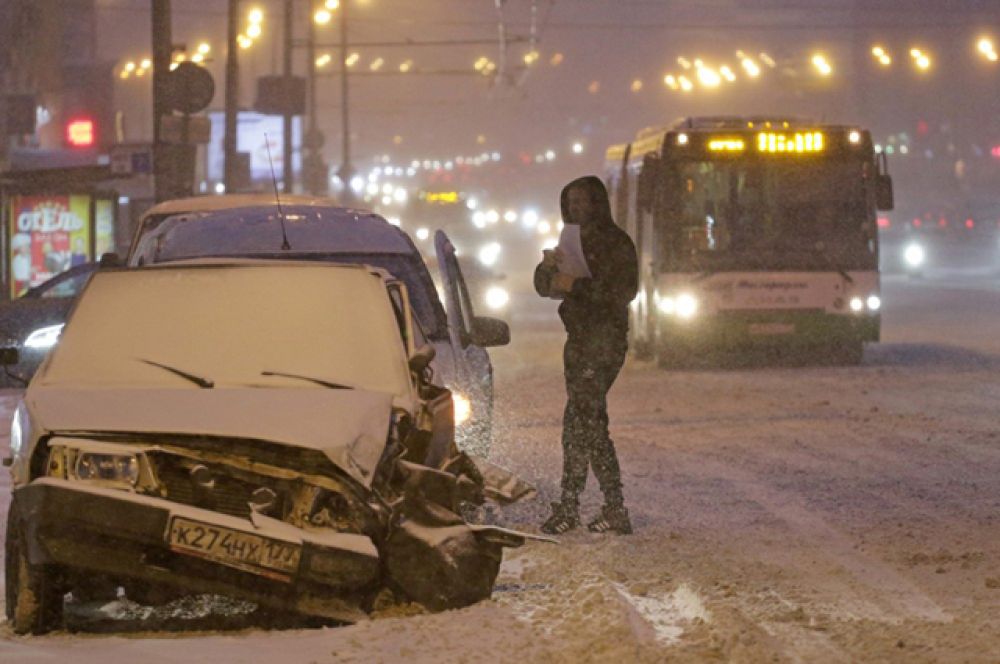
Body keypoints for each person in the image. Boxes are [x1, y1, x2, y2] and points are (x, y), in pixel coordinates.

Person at [534, 176, 638, 535]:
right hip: (578, 341)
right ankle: (596, 505)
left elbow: (623, 291)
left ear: (597, 203)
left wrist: (574, 285)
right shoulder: (571, 240)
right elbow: (544, 287)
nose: (576, 208)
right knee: (583, 421)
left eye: (582, 202)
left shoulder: (616, 242)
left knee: (584, 419)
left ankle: (586, 504)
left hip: (604, 341)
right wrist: (549, 269)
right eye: (571, 202)